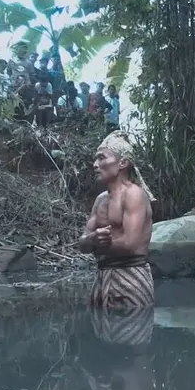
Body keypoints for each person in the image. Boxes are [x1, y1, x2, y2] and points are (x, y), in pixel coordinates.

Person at [78, 131, 157, 308]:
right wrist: (91, 239)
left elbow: (130, 243)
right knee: (101, 331)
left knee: (132, 329)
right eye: (95, 159)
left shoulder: (134, 194)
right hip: (102, 277)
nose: (95, 165)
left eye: (101, 158)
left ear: (123, 162)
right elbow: (82, 244)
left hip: (131, 277)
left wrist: (95, 243)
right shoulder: (100, 200)